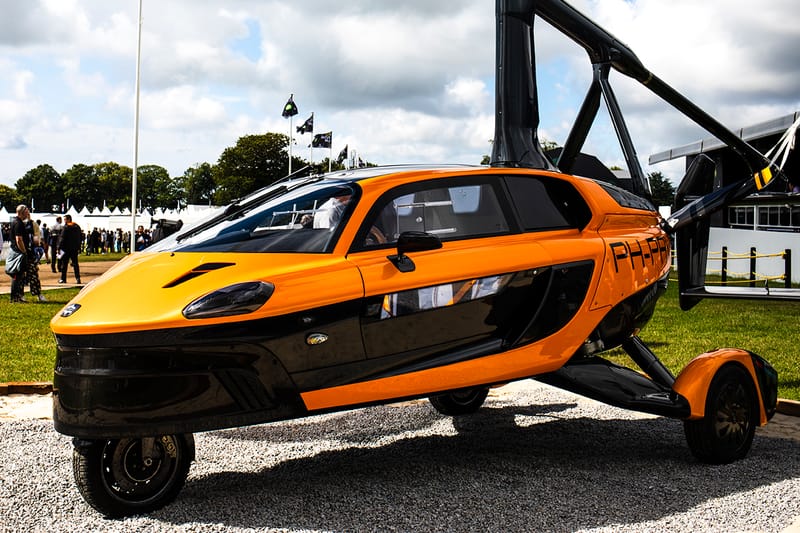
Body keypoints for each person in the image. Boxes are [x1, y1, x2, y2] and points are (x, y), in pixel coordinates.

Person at [8, 205, 30, 303]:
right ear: (22, 212)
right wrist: (24, 251)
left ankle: (18, 296)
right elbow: (19, 239)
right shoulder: (18, 223)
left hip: (16, 250)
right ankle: (15, 297)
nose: (28, 213)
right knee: (17, 275)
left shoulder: (15, 222)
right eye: (26, 211)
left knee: (19, 275)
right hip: (18, 252)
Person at [25, 215, 46, 302]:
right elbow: (36, 240)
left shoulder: (17, 223)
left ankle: (19, 295)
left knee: (20, 276)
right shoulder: (32, 225)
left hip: (24, 253)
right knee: (33, 275)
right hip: (28, 253)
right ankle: (38, 294)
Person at [58, 214, 82, 284]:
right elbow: (80, 237)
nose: (64, 221)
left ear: (68, 219)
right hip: (74, 248)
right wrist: (78, 246)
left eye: (65, 219)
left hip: (66, 248)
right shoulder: (77, 226)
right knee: (75, 264)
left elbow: (62, 238)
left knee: (64, 264)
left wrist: (59, 247)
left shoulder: (66, 227)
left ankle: (63, 278)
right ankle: (78, 278)